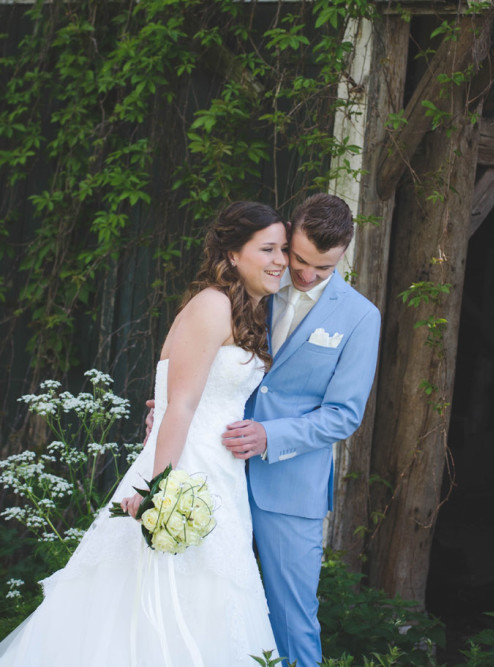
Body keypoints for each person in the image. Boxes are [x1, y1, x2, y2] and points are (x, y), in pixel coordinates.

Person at [0, 201, 285, 665]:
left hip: (222, 478)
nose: (280, 260)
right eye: (268, 249)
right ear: (233, 254)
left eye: (283, 250)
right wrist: (159, 491)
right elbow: (182, 406)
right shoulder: (212, 305)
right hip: (183, 469)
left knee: (212, 600)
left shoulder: (248, 311)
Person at [218, 193, 381, 667]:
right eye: (300, 259)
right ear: (290, 235)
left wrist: (271, 437)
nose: (306, 275)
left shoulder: (360, 317)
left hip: (292, 488)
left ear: (344, 253)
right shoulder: (252, 285)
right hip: (218, 468)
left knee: (293, 620)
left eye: (323, 268)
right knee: (213, 604)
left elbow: (343, 414)